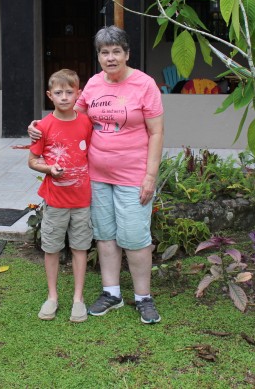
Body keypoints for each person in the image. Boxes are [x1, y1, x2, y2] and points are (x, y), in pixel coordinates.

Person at [30, 26, 165, 324]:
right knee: (105, 235)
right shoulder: (92, 84)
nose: (111, 57)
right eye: (104, 52)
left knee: (135, 236)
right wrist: (39, 126)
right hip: (97, 175)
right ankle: (112, 292)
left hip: (133, 174)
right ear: (99, 56)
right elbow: (68, 116)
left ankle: (143, 297)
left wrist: (150, 176)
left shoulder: (144, 85)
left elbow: (156, 132)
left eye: (116, 51)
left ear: (127, 54)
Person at [28, 69, 94, 323]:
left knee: (80, 248)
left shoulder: (86, 122)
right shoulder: (43, 127)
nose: (64, 97)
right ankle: (52, 296)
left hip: (82, 200)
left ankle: (78, 299)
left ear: (78, 93)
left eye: (69, 92)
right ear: (49, 95)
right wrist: (48, 168)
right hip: (55, 201)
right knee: (52, 248)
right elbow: (32, 160)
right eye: (58, 92)